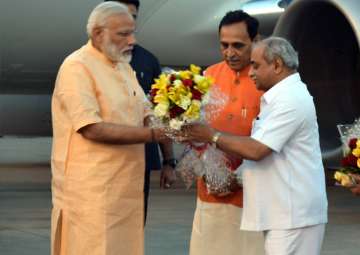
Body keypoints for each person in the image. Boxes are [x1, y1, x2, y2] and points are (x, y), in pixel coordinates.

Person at [184, 37, 328, 255]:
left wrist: (211, 135)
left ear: (277, 65)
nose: (250, 72)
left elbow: (257, 149)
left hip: (293, 214)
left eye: (256, 65)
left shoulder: (291, 100)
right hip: (284, 212)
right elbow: (271, 152)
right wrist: (234, 179)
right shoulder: (280, 97)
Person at [51, 2, 168, 255]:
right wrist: (152, 135)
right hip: (92, 195)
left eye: (133, 32)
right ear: (97, 34)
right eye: (123, 34)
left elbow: (145, 110)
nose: (132, 40)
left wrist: (172, 120)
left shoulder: (123, 65)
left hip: (125, 191)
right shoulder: (77, 67)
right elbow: (91, 128)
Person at [188, 10, 264, 255]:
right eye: (224, 45)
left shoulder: (267, 79)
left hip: (255, 197)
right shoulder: (208, 76)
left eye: (238, 46)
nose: (230, 52)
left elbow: (273, 140)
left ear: (256, 40)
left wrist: (238, 178)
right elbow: (192, 130)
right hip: (211, 193)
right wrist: (211, 172)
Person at [105, 0, 176, 223]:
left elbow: (161, 114)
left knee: (135, 224)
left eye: (133, 17)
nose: (128, 21)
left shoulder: (148, 61)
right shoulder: (88, 62)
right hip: (103, 163)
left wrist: (169, 161)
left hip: (139, 161)